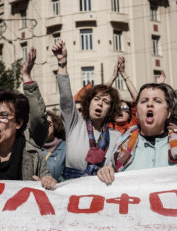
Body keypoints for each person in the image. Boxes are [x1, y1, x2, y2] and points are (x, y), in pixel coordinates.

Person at [97, 83, 177, 185]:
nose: (149, 104)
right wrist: (105, 173)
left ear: (168, 112)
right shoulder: (120, 146)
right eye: (144, 101)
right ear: (137, 112)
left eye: (157, 101)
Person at [52, 40, 122, 179]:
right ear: (88, 103)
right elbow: (66, 98)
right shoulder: (75, 125)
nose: (100, 104)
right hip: (72, 190)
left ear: (111, 110)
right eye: (96, 99)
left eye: (106, 102)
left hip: (102, 192)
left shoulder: (117, 137)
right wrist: (62, 63)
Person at [106, 56, 139, 134]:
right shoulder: (107, 125)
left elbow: (138, 100)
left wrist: (123, 73)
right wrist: (113, 76)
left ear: (130, 113)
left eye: (124, 108)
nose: (120, 111)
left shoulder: (134, 123)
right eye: (116, 109)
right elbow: (103, 95)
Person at [42, 110, 66, 182]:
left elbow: (71, 175)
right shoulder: (34, 147)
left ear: (55, 125)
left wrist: (56, 182)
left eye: (48, 123)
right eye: (42, 123)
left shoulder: (66, 148)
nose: (45, 126)